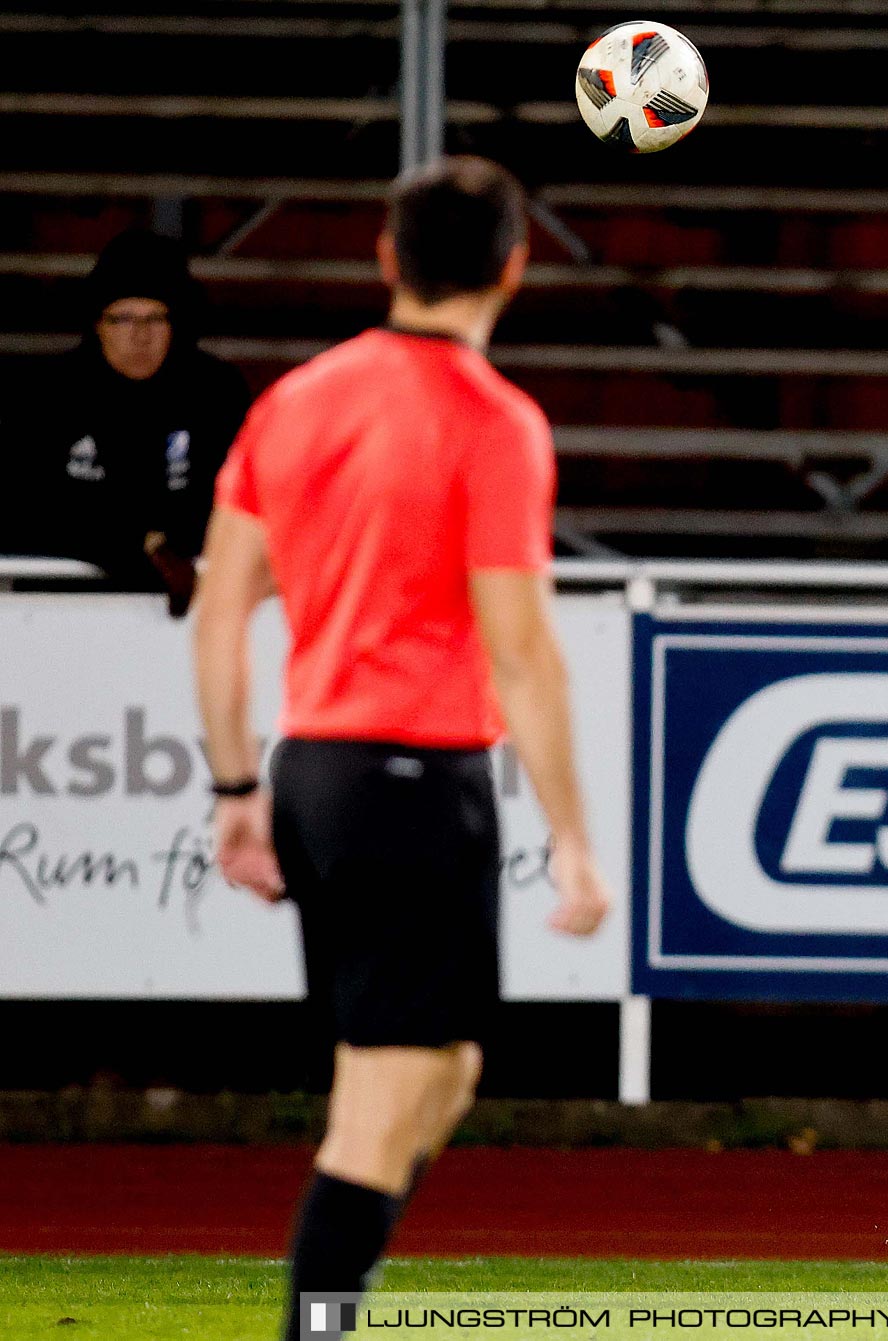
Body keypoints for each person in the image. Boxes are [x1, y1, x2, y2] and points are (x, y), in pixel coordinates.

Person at [190, 156, 612, 1341]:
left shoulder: (296, 400)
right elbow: (521, 649)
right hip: (416, 785)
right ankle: (317, 1327)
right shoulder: (496, 422)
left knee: (438, 1073)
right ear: (516, 269)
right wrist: (574, 840)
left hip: (315, 776)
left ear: (386, 258)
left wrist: (235, 787)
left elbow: (222, 610)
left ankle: (335, 1296)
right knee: (382, 1106)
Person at [20, 229, 249, 614]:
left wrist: (167, 542)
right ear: (97, 323)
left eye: (155, 318)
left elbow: (236, 501)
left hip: (196, 613)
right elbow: (30, 509)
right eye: (123, 318)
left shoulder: (215, 392)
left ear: (177, 323)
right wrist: (143, 547)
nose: (139, 335)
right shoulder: (50, 394)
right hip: (58, 616)